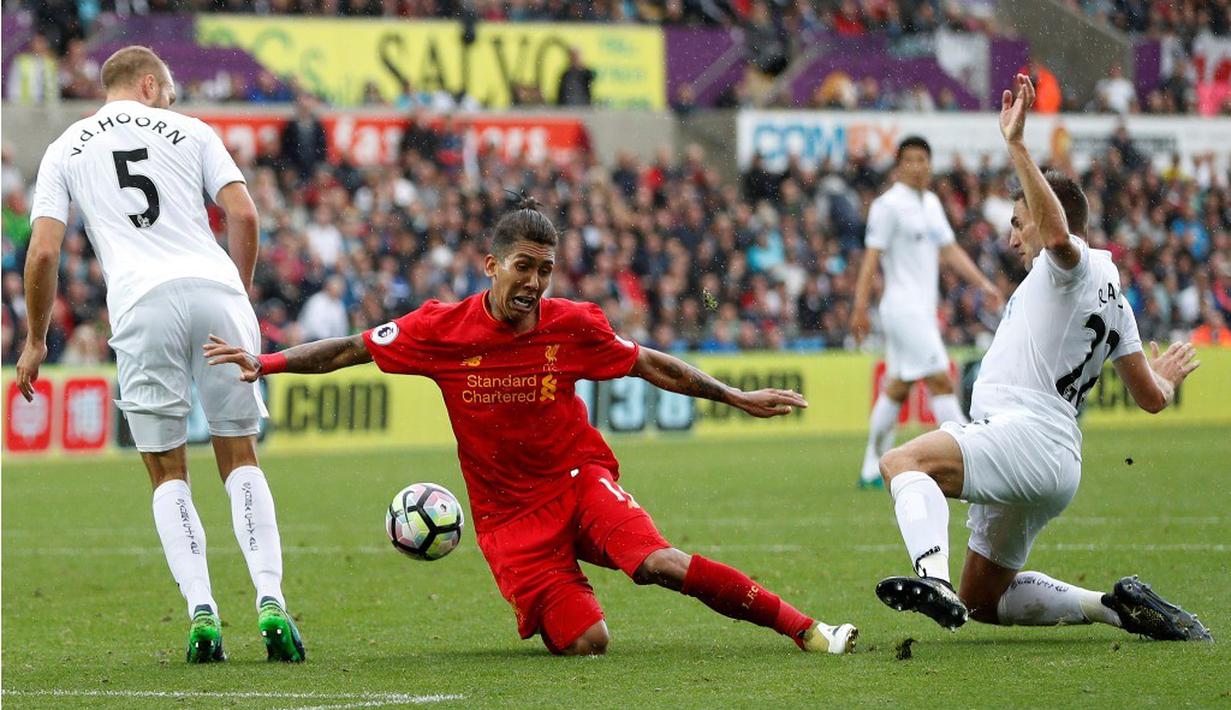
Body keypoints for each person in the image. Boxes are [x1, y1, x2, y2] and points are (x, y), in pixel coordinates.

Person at [205, 196, 859, 657]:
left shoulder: (573, 324)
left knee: (657, 563)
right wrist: (267, 363)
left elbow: (648, 363)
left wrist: (733, 395)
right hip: (508, 520)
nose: (535, 282)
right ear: (491, 265)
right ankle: (563, 582)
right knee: (589, 643)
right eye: (524, 265)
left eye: (545, 269)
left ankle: (805, 628)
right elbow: (350, 349)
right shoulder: (439, 328)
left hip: (578, 480)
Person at [872, 74, 1212, 642]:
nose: (1013, 238)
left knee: (901, 463)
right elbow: (1151, 399)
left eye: (1018, 222)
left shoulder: (1070, 266)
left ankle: (931, 578)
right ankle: (1114, 607)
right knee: (983, 600)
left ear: (1046, 214)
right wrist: (1166, 380)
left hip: (1024, 437)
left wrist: (1017, 146)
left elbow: (1056, 239)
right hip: (1056, 459)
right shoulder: (1116, 300)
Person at [15, 46, 305, 663]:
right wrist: (236, 296)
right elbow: (243, 214)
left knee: (168, 471)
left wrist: (36, 339)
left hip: (141, 304)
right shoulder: (193, 131)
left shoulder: (65, 148)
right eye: (169, 91)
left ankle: (202, 612)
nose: (172, 101)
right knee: (240, 455)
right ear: (149, 84)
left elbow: (42, 253)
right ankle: (270, 599)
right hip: (216, 293)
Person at [850, 136, 1003, 489]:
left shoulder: (931, 203)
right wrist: (859, 307)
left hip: (921, 309)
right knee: (940, 381)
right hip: (903, 309)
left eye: (923, 159)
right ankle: (971, 457)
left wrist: (983, 283)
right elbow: (871, 258)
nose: (918, 166)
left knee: (898, 387)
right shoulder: (888, 206)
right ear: (898, 166)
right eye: (911, 160)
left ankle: (871, 467)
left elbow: (949, 250)